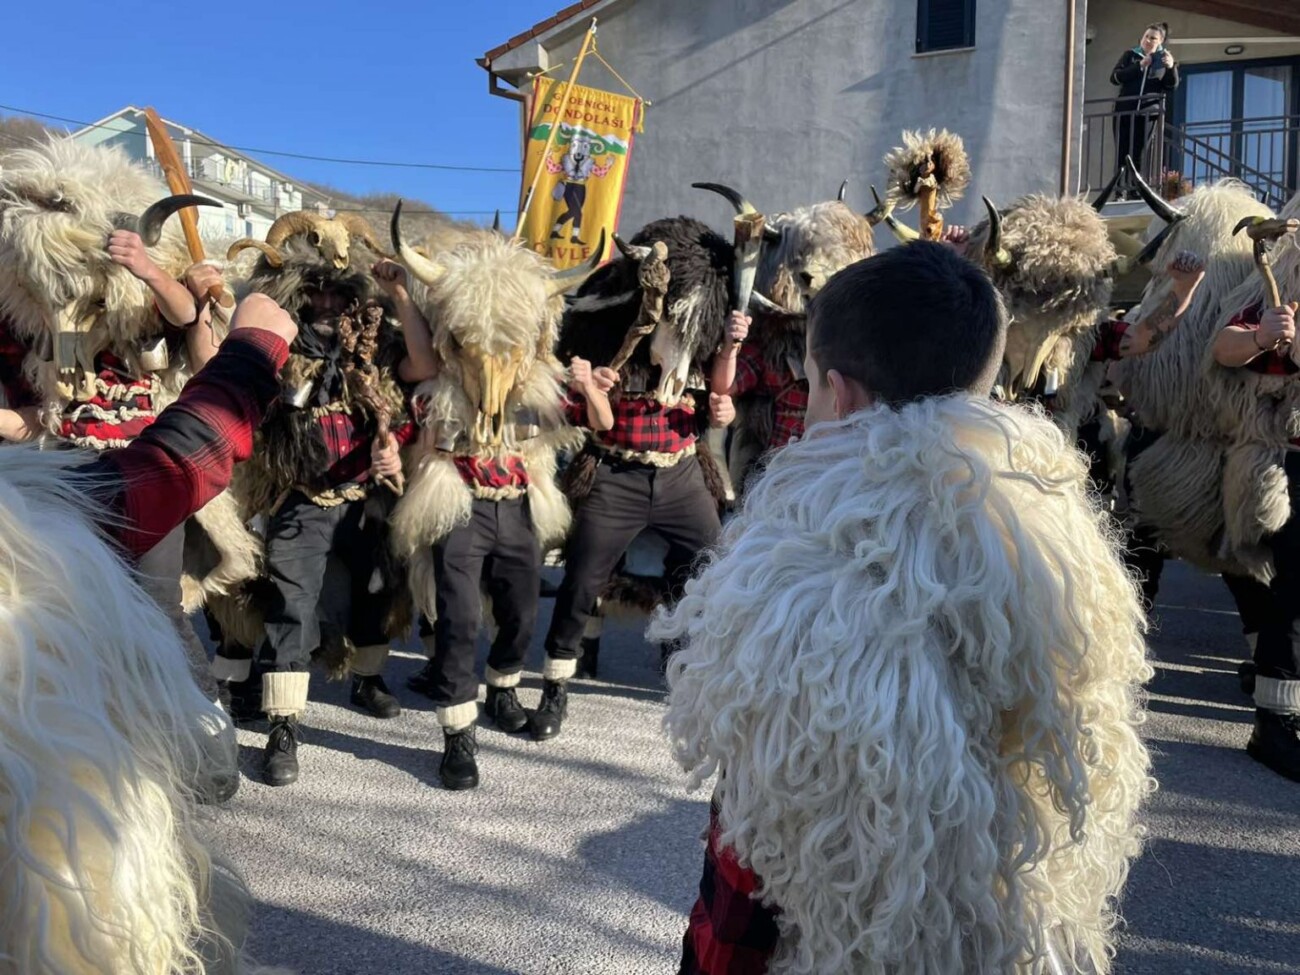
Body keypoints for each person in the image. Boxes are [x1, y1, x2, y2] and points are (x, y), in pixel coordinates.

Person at [651, 243, 1152, 973]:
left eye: (813, 389)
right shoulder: (1058, 555)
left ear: (842, 397)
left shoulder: (801, 586)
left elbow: (746, 871)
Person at [1211, 297, 1300, 781]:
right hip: (1285, 458)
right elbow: (1223, 349)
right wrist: (1262, 337)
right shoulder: (1277, 292)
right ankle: (1275, 721)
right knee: (1293, 589)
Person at [1111, 22, 1179, 196]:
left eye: (1153, 38)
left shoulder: (1165, 61)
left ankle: (1135, 191)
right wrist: (1140, 65)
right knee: (1122, 151)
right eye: (1146, 36)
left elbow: (1170, 86)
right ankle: (1120, 192)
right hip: (1124, 111)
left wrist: (1171, 68)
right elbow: (1116, 77)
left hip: (1147, 113)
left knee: (1140, 153)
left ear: (1160, 43)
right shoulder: (1130, 55)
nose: (1148, 40)